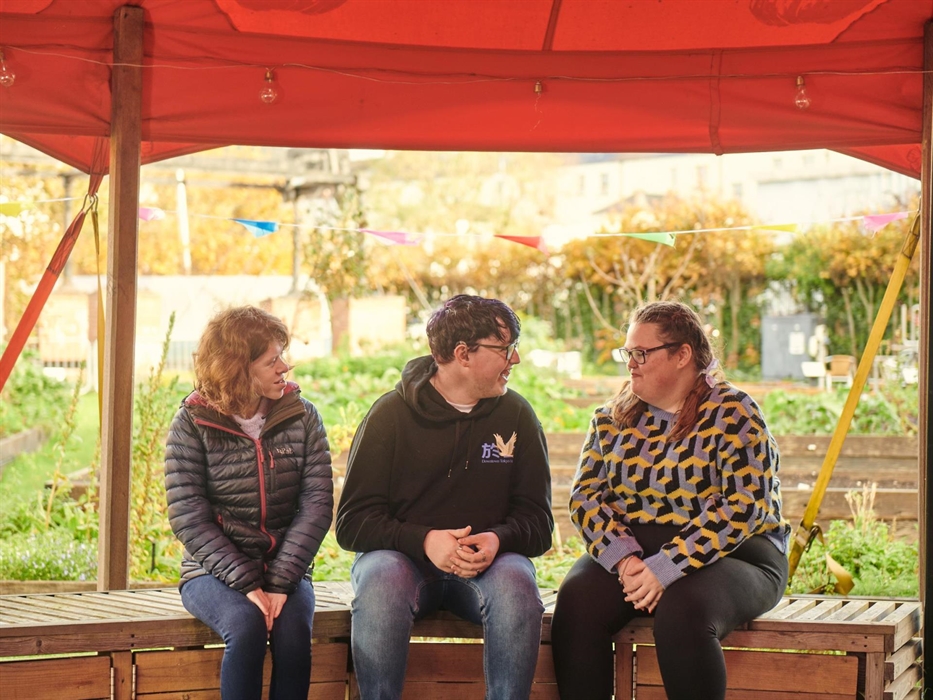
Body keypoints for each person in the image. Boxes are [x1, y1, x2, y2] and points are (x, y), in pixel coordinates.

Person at [551, 301, 789, 700]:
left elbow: (744, 507)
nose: (631, 363)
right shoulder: (611, 418)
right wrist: (625, 560)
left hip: (740, 555)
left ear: (683, 355)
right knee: (577, 602)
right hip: (637, 554)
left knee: (682, 612)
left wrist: (667, 566)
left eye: (642, 353)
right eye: (628, 353)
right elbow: (585, 498)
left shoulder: (735, 413)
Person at [335, 294, 553, 700]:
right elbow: (351, 524)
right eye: (505, 348)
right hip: (403, 564)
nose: (515, 359)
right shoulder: (390, 415)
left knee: (517, 584)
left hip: (489, 566)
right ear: (462, 354)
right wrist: (424, 540)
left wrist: (498, 539)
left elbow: (538, 523)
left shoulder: (518, 416)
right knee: (381, 579)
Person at [164, 306, 334, 700]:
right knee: (246, 625)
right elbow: (189, 516)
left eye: (282, 356)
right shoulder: (192, 422)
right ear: (239, 367)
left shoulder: (304, 417)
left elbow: (317, 506)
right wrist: (247, 583)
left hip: (286, 568)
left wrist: (278, 582)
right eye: (272, 360)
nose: (285, 367)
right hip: (212, 573)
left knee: (294, 636)